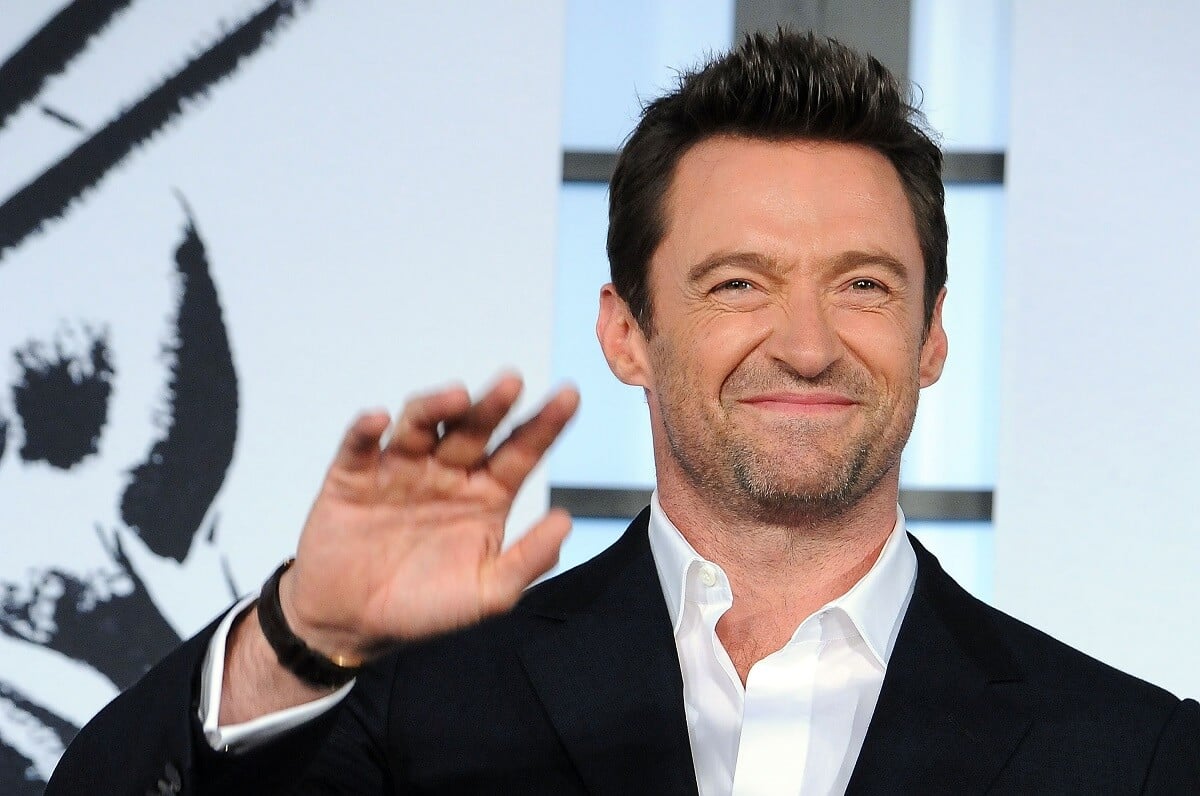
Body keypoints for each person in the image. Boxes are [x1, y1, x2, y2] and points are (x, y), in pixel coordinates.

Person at [48, 30, 1199, 795]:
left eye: (862, 284)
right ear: (625, 332)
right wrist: (298, 633)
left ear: (932, 333)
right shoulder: (418, 712)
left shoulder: (1134, 753)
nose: (805, 342)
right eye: (737, 281)